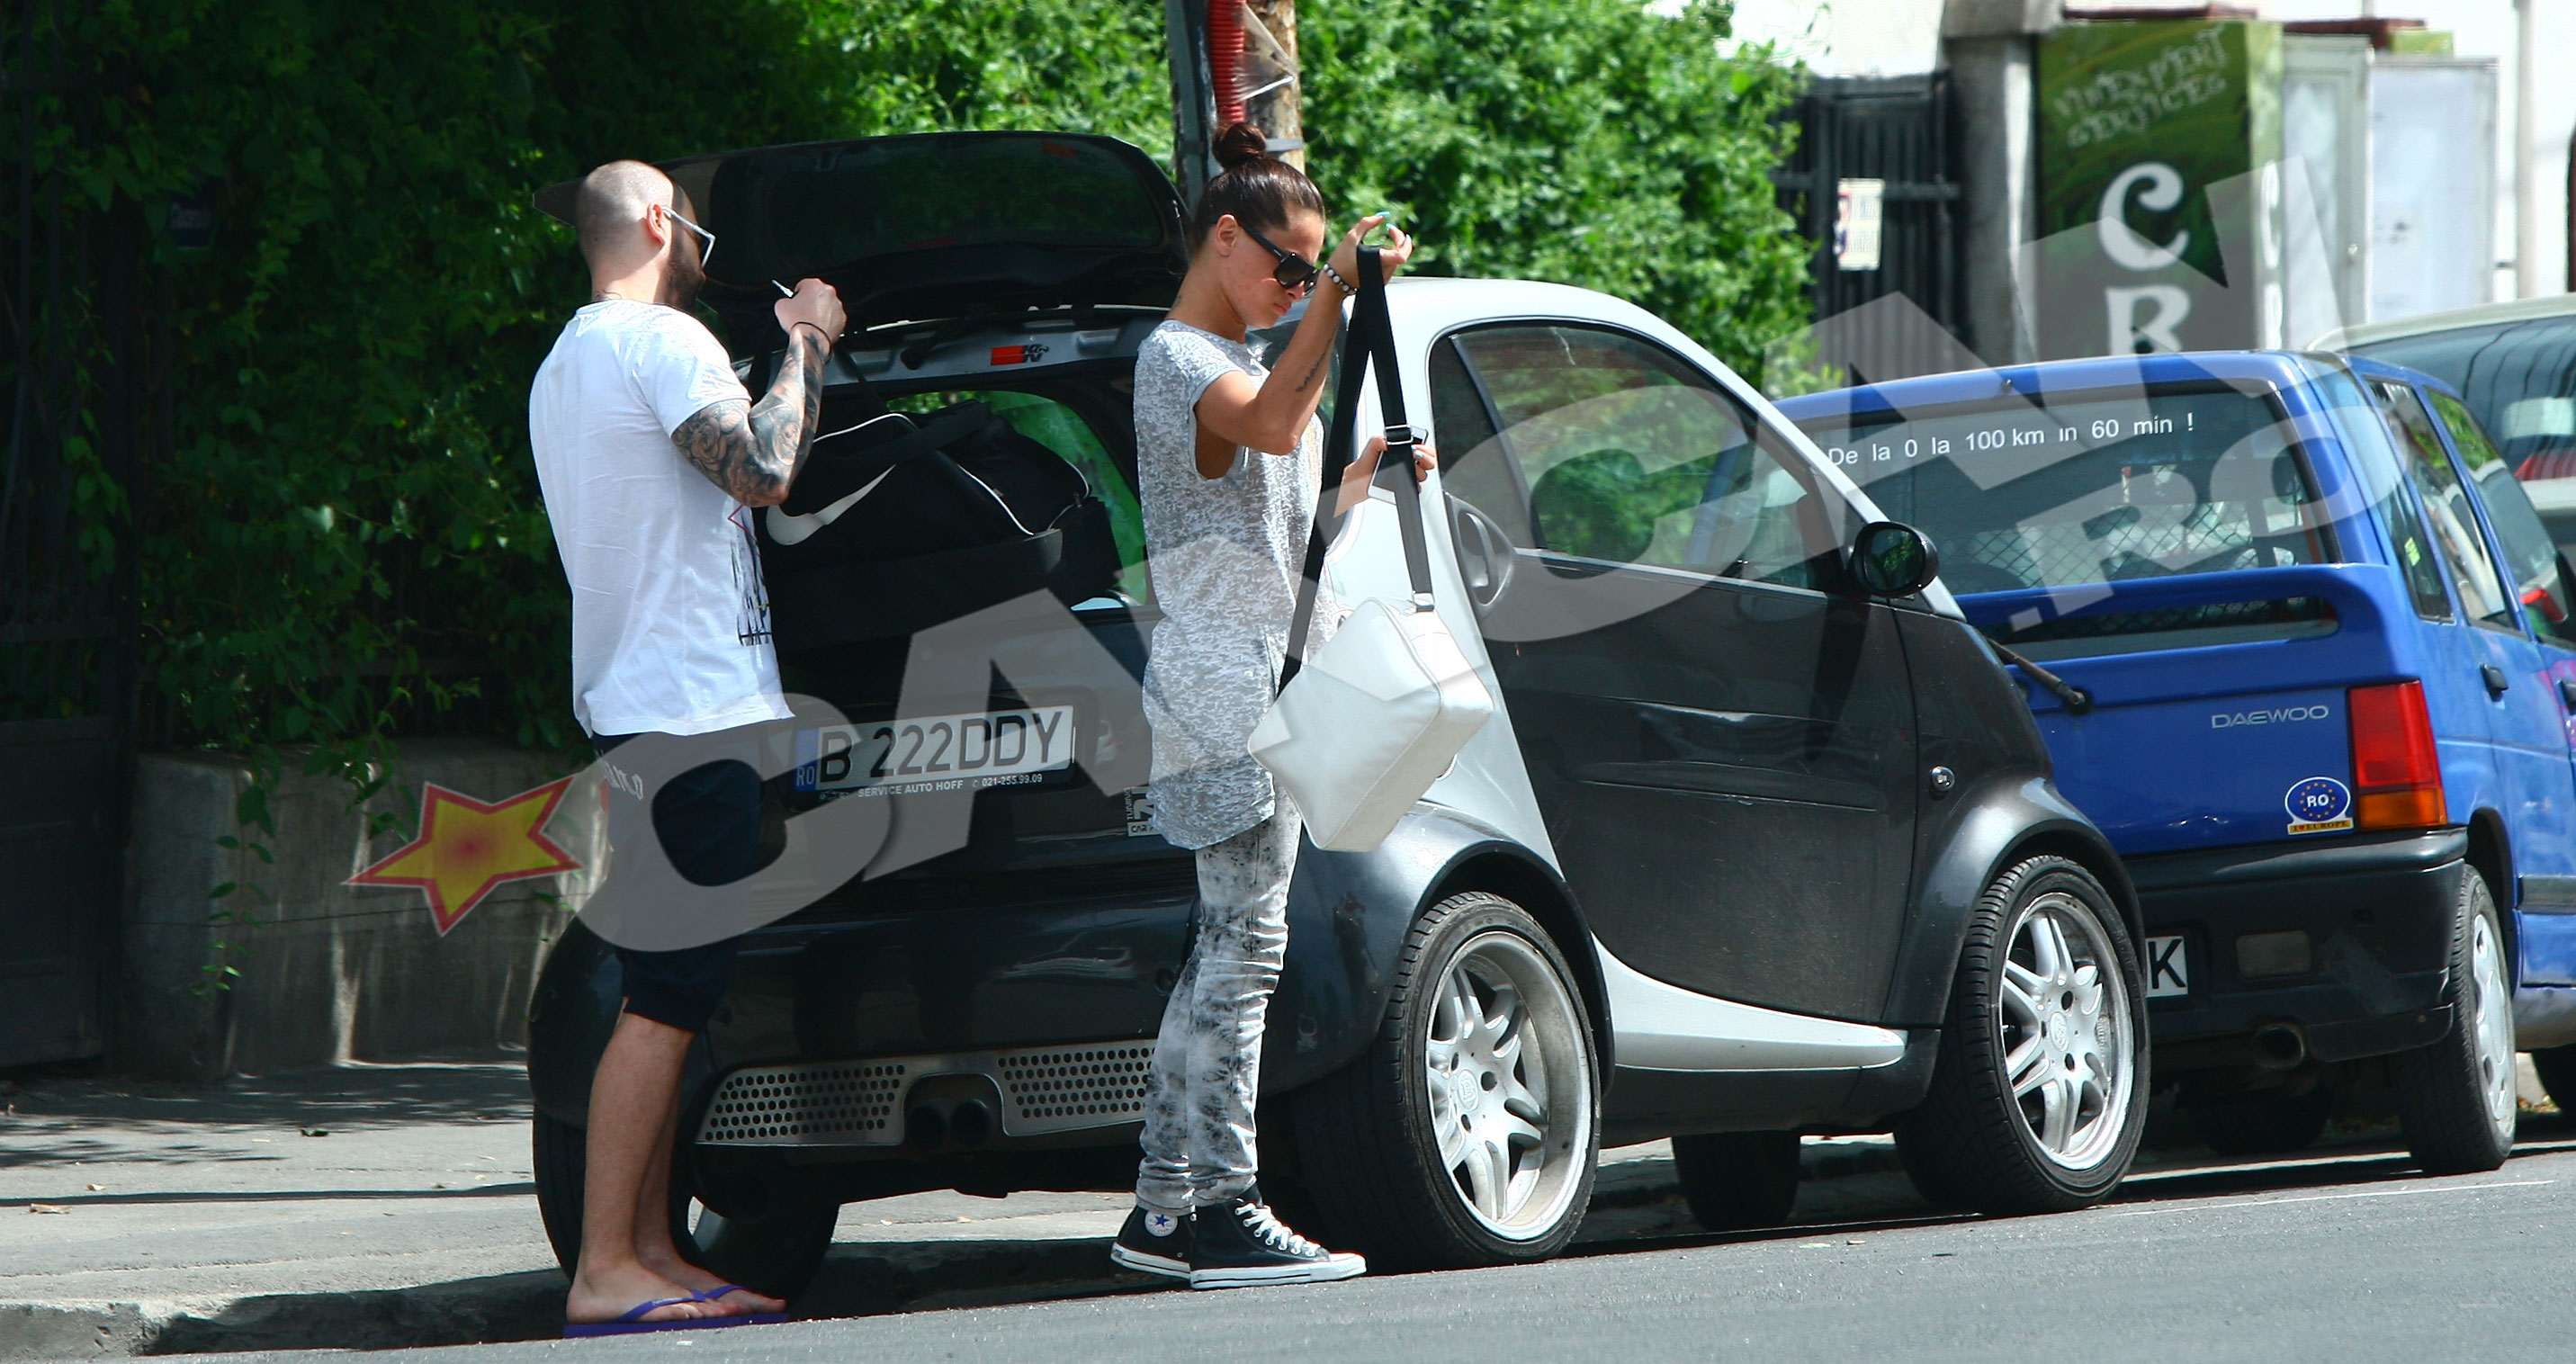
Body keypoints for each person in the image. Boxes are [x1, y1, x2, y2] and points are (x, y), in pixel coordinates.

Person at [1109, 121, 1431, 1290]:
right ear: (1223, 239)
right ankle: (1223, 1204)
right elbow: (1277, 421)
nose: (1296, 291)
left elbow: (1279, 517)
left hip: (1253, 675)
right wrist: (1338, 298)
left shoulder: (1232, 369)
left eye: (1311, 272)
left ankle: (1160, 1208)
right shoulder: (1178, 359)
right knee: (1243, 949)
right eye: (1286, 269)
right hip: (1220, 683)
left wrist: (1364, 478)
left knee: (1228, 944)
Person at [527, 159, 846, 1333]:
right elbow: (764, 470)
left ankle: (653, 1252)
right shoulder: (663, 344)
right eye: (696, 220)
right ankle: (608, 1268)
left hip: (644, 709)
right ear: (662, 223)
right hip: (689, 713)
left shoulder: (568, 361)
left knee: (678, 986)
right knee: (663, 996)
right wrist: (804, 342)